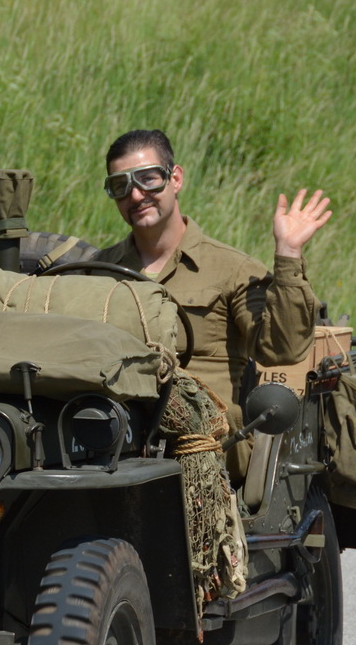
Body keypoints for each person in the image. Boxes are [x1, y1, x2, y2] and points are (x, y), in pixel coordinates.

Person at [94, 129, 329, 427]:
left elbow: (282, 349)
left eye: (148, 178)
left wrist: (289, 252)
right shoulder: (99, 271)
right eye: (120, 185)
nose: (136, 194)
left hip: (209, 446)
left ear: (175, 178)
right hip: (116, 438)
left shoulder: (231, 269)